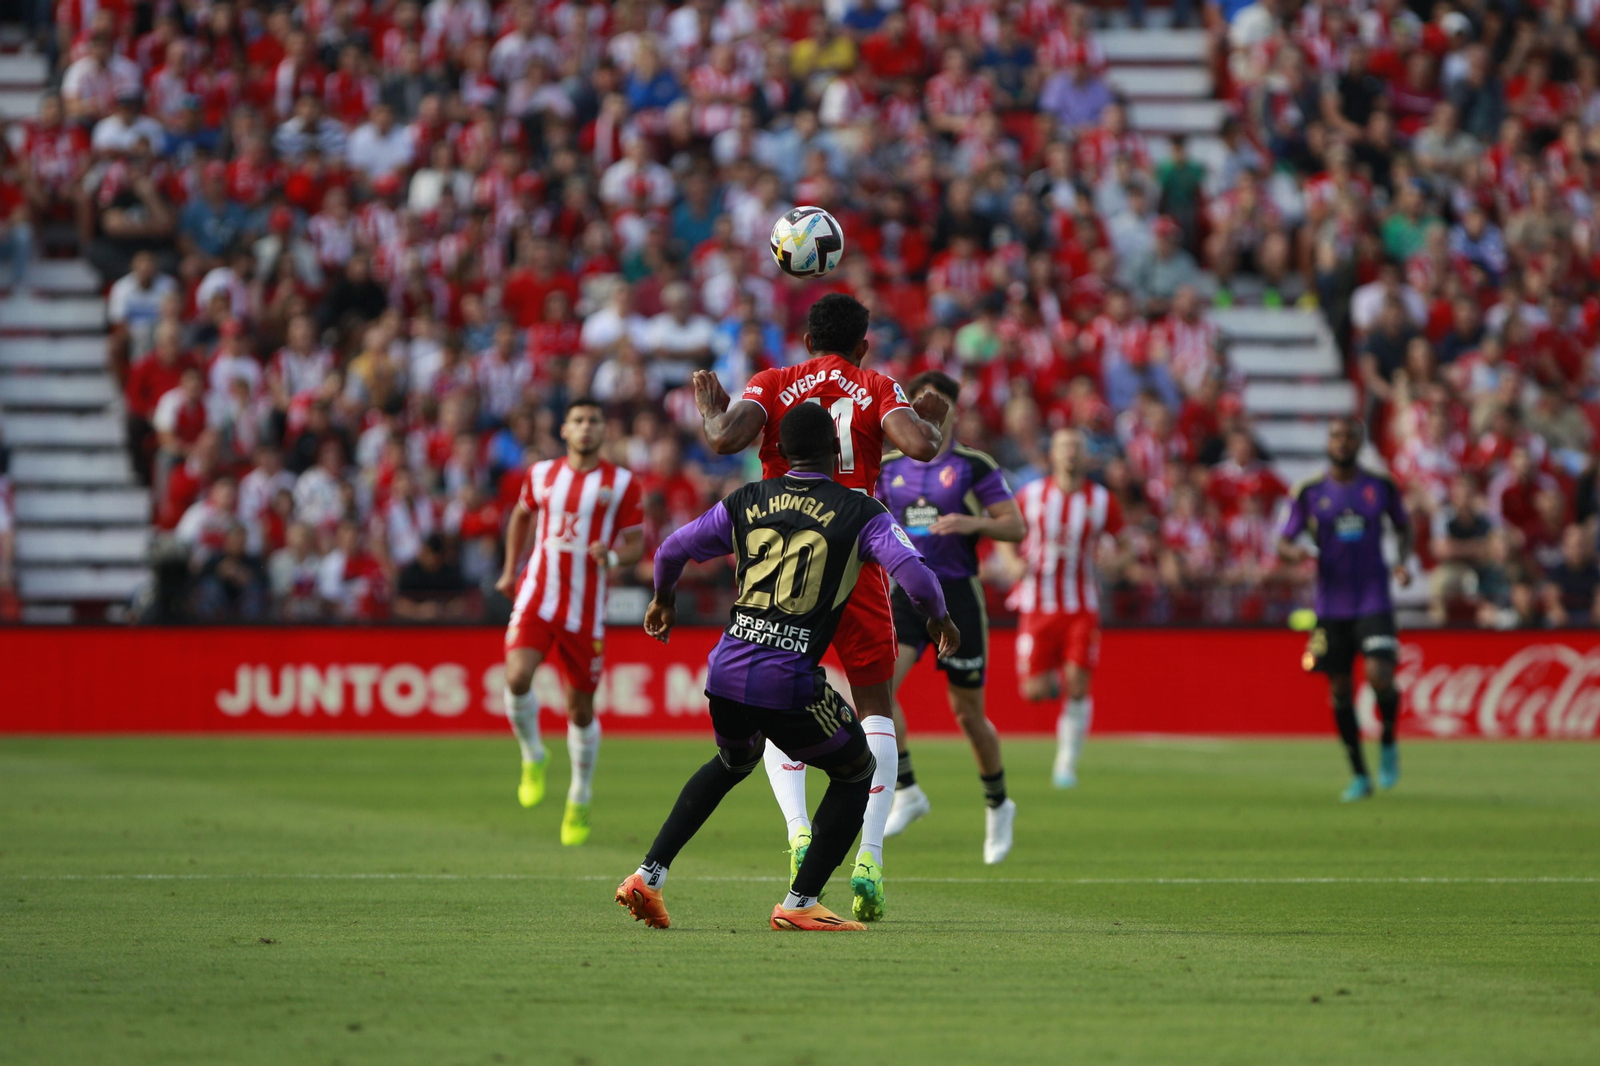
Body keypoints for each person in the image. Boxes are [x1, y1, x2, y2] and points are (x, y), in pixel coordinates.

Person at [617, 403, 958, 932]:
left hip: (726, 668)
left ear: (778, 449)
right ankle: (801, 902)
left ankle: (648, 875)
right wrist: (939, 618)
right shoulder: (861, 511)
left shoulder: (746, 498)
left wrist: (663, 599)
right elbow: (917, 578)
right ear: (836, 451)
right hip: (788, 678)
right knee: (857, 770)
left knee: (733, 762)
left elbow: (670, 550)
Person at [693, 292, 948, 922]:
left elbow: (724, 439)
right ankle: (869, 858)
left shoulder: (774, 381)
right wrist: (932, 421)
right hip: (855, 552)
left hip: (784, 559)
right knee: (875, 708)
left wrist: (710, 408)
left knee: (776, 697)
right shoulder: (876, 384)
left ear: (807, 340)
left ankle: (799, 831)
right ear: (864, 344)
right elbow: (919, 446)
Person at [876, 371, 1025, 863]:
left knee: (967, 714)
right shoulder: (889, 466)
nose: (930, 411)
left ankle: (998, 804)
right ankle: (908, 791)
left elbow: (1015, 527)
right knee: (876, 692)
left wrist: (970, 522)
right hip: (908, 592)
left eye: (939, 404)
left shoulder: (972, 465)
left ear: (954, 412)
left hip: (957, 596)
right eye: (921, 403)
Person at [494, 398, 645, 845]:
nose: (585, 427)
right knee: (517, 676)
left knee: (579, 709)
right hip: (537, 596)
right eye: (578, 420)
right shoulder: (541, 474)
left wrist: (612, 556)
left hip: (585, 609)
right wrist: (509, 570)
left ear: (603, 430)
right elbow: (521, 515)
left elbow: (636, 543)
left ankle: (580, 794)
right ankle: (533, 754)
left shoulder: (622, 483)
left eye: (594, 421)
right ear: (564, 429)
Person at [1277, 417, 1413, 802]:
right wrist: (1295, 552)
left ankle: (1388, 739)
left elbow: (1404, 526)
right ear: (1328, 442)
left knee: (1379, 674)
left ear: (1359, 442)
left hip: (1373, 597)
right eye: (1336, 436)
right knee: (1338, 687)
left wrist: (1402, 562)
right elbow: (1283, 539)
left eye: (1349, 436)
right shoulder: (1310, 491)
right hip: (1330, 605)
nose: (1342, 442)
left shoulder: (1380, 486)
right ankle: (1359, 774)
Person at [1010, 429, 1124, 788]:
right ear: (1053, 455)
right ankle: (1056, 680)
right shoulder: (1031, 495)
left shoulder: (1102, 500)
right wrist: (1010, 562)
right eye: (1063, 447)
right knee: (1033, 691)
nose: (1070, 453)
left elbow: (1125, 544)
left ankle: (1066, 764)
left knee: (1078, 683)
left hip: (1081, 605)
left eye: (1076, 447)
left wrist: (1116, 562)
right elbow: (1002, 531)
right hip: (1037, 604)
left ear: (1086, 456)